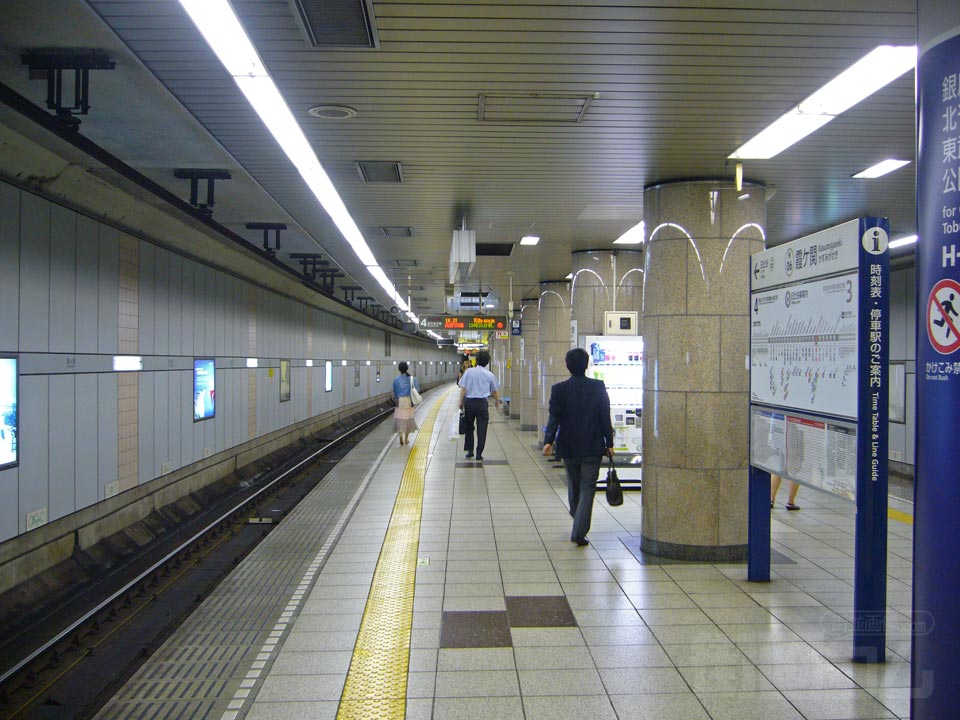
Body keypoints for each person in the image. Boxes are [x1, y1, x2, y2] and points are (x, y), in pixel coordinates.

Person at [542, 348, 614, 546]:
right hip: (593, 445)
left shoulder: (559, 390)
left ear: (567, 366)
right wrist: (609, 442)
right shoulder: (598, 387)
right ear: (587, 364)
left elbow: (554, 418)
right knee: (586, 488)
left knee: (575, 487)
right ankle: (580, 523)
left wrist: (549, 441)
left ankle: (578, 529)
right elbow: (604, 416)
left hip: (570, 446)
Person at [458, 349, 500, 461]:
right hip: (482, 404)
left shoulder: (468, 372)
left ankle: (470, 451)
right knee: (482, 428)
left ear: (476, 360)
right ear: (487, 362)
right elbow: (495, 390)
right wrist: (497, 401)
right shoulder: (489, 374)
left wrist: (460, 401)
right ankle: (479, 453)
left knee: (469, 427)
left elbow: (463, 389)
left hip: (470, 403)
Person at [392, 362, 419, 446]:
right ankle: (406, 439)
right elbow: (417, 389)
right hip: (409, 401)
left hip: (400, 401)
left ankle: (400, 435)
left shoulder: (396, 380)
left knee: (400, 419)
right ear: (407, 368)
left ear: (399, 369)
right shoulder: (412, 379)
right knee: (408, 419)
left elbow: (395, 392)